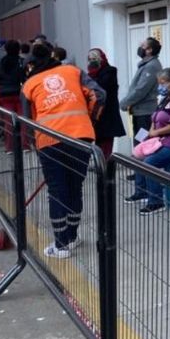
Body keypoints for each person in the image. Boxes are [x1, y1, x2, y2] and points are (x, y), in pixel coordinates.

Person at [23, 43, 104, 259]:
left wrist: (35, 143)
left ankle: (60, 245)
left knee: (57, 191)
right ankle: (72, 237)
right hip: (81, 137)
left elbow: (27, 120)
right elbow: (99, 95)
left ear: (31, 64)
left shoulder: (30, 84)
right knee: (75, 187)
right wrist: (87, 120)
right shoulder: (74, 72)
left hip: (50, 141)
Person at [125, 68, 170, 214]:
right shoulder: (166, 99)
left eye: (163, 83)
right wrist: (149, 135)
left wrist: (155, 132)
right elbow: (155, 118)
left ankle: (156, 202)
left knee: (150, 163)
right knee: (137, 156)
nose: (160, 87)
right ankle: (142, 192)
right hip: (163, 139)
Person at [120, 37, 163, 145]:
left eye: (143, 46)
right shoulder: (146, 65)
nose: (140, 48)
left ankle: (142, 162)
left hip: (144, 114)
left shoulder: (151, 66)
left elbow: (141, 90)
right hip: (140, 112)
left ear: (150, 50)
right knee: (140, 141)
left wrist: (125, 103)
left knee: (142, 143)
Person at [86, 48, 125, 158]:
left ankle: (105, 170)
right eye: (90, 59)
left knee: (106, 146)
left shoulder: (110, 71)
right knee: (97, 145)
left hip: (108, 115)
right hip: (95, 115)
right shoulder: (90, 74)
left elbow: (101, 88)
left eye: (95, 58)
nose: (92, 61)